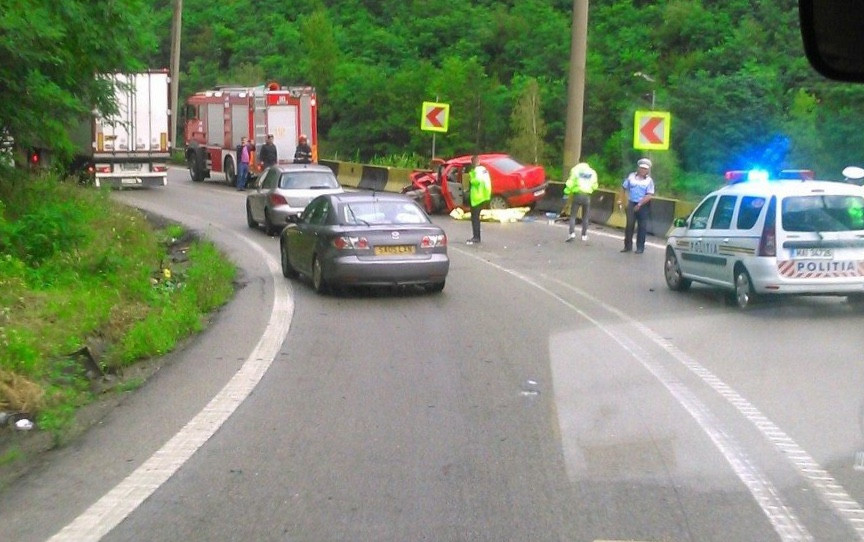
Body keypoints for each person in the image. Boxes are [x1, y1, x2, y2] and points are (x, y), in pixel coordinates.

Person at [619, 157, 655, 253]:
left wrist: (639, 204)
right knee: (629, 225)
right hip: (631, 202)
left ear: (647, 170)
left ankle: (640, 247)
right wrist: (621, 200)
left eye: (645, 169)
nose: (643, 170)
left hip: (643, 205)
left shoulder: (649, 181)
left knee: (642, 226)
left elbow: (649, 195)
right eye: (642, 168)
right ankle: (627, 246)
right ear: (638, 168)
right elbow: (623, 187)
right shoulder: (631, 177)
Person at [563, 161, 598, 242]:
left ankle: (572, 234)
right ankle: (584, 235)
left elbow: (570, 183)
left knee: (573, 216)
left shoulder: (575, 170)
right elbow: (595, 185)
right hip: (587, 196)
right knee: (585, 217)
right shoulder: (592, 172)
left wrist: (566, 192)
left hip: (577, 195)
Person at [466, 154, 491, 245]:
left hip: (476, 198)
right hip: (483, 196)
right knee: (476, 218)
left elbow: (476, 182)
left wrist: (471, 175)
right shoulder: (484, 170)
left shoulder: (476, 171)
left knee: (475, 219)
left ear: (472, 163)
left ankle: (476, 237)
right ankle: (477, 236)